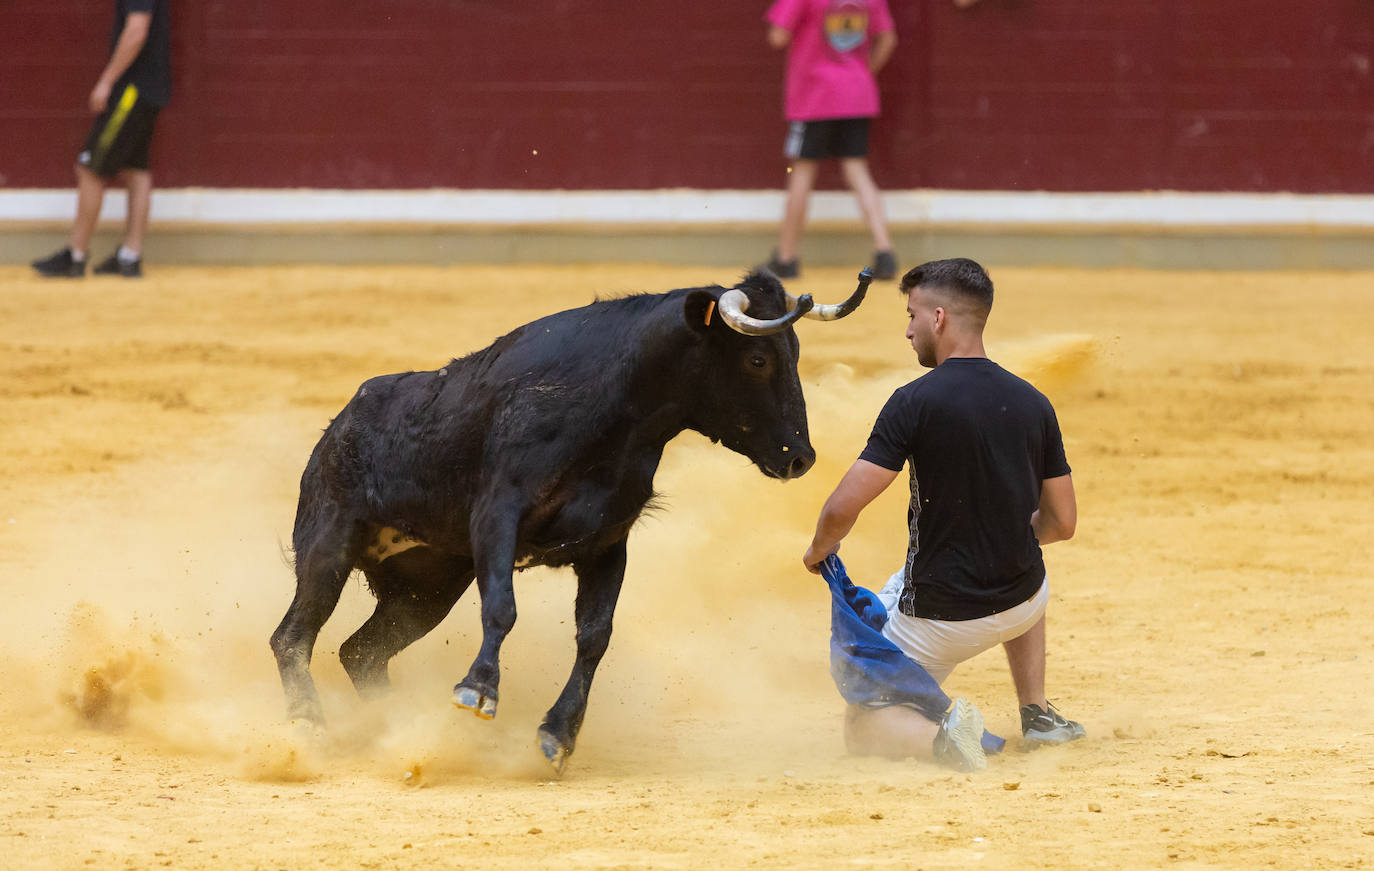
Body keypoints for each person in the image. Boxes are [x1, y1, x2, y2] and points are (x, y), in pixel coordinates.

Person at [803, 257, 1085, 764]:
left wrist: (820, 548)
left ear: (938, 319)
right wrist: (1006, 537)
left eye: (911, 316)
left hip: (940, 621)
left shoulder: (914, 401)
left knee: (863, 723)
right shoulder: (1033, 401)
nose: (908, 332)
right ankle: (1038, 712)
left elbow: (844, 506)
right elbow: (1062, 524)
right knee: (1024, 568)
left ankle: (946, 742)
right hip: (1023, 602)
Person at [32, 0, 172, 279]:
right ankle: (129, 257)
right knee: (136, 170)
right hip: (149, 89)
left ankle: (76, 254)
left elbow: (136, 30)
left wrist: (107, 80)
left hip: (132, 91)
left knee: (90, 167)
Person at [763, 0, 899, 281]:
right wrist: (862, 72)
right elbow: (888, 39)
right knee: (857, 170)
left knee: (802, 171)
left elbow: (777, 36)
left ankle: (786, 256)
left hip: (814, 96)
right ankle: (884, 250)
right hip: (857, 94)